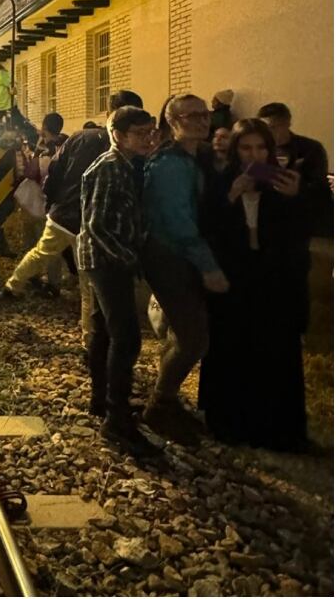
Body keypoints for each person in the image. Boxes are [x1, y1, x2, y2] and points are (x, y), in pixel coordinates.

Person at [199, 119, 311, 451]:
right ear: (235, 150)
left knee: (276, 351)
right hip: (234, 281)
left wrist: (294, 198)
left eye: (261, 147)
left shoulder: (282, 184)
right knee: (232, 349)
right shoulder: (221, 183)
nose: (254, 154)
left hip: (274, 283)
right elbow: (208, 229)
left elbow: (302, 233)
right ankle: (231, 423)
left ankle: (278, 429)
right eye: (246, 148)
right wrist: (232, 194)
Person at [139, 94, 230, 446]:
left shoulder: (196, 158)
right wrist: (208, 266)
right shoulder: (169, 164)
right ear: (172, 121)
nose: (201, 121)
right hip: (169, 257)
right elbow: (177, 222)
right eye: (190, 115)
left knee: (184, 333)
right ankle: (159, 405)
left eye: (204, 114)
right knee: (194, 338)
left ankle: (168, 399)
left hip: (180, 255)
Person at [76, 105, 162, 456]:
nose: (148, 139)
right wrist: (130, 260)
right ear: (118, 135)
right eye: (140, 133)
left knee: (104, 330)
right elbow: (96, 226)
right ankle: (116, 417)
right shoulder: (110, 169)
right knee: (126, 337)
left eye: (151, 131)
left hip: (109, 259)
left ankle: (102, 400)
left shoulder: (129, 166)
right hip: (106, 262)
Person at [4, 91, 143, 299]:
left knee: (41, 253)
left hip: (63, 213)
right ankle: (90, 327)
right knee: (87, 277)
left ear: (107, 113)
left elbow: (55, 171)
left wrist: (51, 203)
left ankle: (12, 286)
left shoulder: (79, 137)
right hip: (89, 222)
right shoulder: (126, 149)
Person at [258, 102, 331, 241]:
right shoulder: (260, 149)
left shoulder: (310, 148)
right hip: (266, 220)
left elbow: (319, 187)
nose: (268, 133)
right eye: (264, 129)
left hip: (301, 220)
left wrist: (299, 189)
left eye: (273, 127)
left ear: (287, 123)